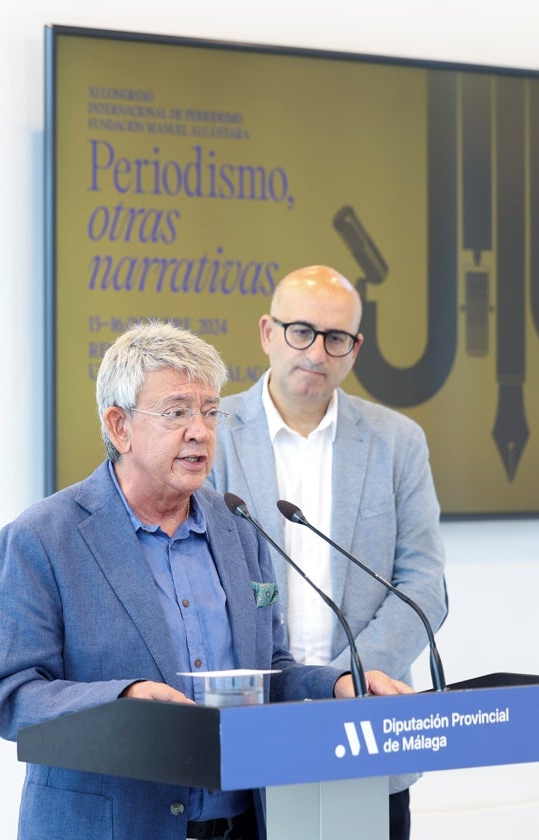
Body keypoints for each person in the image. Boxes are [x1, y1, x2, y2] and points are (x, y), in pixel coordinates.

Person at [0, 321, 411, 840]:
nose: (200, 430)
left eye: (209, 412)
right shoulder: (42, 539)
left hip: (240, 824)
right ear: (120, 427)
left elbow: (269, 669)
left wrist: (338, 685)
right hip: (114, 827)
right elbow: (7, 696)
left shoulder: (239, 528)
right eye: (176, 412)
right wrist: (122, 701)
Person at [207, 264, 449, 840]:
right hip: (248, 732)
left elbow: (423, 584)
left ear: (355, 347)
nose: (317, 352)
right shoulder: (212, 433)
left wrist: (343, 684)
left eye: (336, 337)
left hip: (365, 726)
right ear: (267, 331)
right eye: (300, 331)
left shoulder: (397, 442)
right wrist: (294, 689)